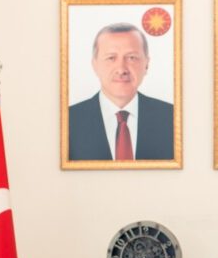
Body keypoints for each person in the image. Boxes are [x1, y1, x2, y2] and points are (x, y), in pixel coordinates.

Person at [69, 23, 174, 161]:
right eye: (111, 58)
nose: (121, 69)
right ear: (95, 65)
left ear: (147, 64)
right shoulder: (68, 121)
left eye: (131, 58)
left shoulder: (172, 118)